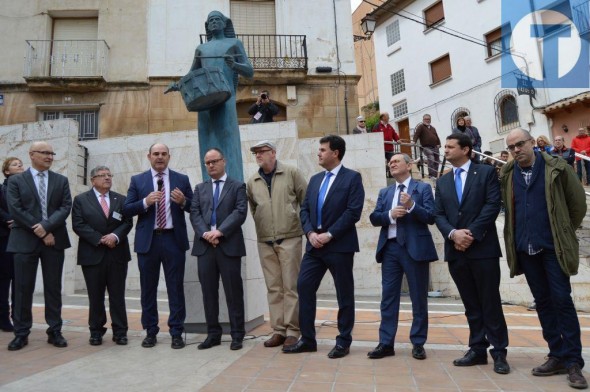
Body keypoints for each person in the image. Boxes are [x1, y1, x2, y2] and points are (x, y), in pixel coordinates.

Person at [501, 128, 587, 390]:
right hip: (526, 250)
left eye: (520, 144)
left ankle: (573, 361)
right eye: (512, 146)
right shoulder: (507, 174)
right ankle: (557, 354)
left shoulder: (557, 167)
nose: (516, 150)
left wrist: (562, 229)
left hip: (552, 248)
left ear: (532, 143)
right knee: (543, 303)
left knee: (562, 301)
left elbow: (578, 205)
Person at [282, 135, 364, 359]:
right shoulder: (315, 179)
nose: (318, 153)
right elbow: (305, 209)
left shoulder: (352, 178)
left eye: (322, 150)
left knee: (343, 294)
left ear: (335, 153)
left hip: (339, 246)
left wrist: (329, 234)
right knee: (304, 286)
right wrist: (309, 233)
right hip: (314, 247)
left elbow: (353, 212)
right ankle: (308, 339)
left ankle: (343, 341)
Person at [434, 133, 510, 374]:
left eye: (450, 146)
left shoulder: (486, 172)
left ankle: (499, 352)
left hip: (483, 249)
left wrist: (471, 234)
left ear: (466, 149)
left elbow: (492, 205)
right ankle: (477, 348)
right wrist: (453, 234)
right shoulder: (442, 181)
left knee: (490, 301)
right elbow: (438, 214)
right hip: (456, 251)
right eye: (444, 146)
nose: (445, 150)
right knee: (471, 303)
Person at [368, 153, 438, 360]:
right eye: (389, 163)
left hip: (415, 249)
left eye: (396, 161)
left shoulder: (422, 188)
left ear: (408, 165)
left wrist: (412, 206)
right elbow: (374, 218)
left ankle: (418, 342)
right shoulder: (385, 192)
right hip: (390, 249)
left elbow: (431, 217)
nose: (391, 164)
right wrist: (390, 215)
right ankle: (386, 343)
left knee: (418, 298)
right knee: (388, 298)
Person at [123, 143, 193, 349]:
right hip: (149, 241)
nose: (160, 157)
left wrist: (183, 202)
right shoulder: (138, 180)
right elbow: (127, 209)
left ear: (169, 157)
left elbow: (195, 205)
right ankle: (151, 331)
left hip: (173, 239)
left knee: (175, 288)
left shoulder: (181, 179)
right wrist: (145, 202)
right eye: (156, 154)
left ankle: (176, 332)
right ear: (149, 156)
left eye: (163, 154)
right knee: (148, 289)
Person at [7, 142, 72, 351]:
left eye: (52, 153)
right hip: (24, 240)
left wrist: (46, 226)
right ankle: (21, 333)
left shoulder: (61, 180)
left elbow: (65, 207)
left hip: (54, 240)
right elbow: (15, 208)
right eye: (45, 153)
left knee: (53, 288)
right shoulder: (16, 181)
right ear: (32, 155)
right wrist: (40, 229)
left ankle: (54, 330)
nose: (50, 156)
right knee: (23, 288)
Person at [246, 140, 307, 348]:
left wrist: (295, 220)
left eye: (262, 152)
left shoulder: (291, 173)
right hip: (265, 240)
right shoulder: (252, 180)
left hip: (290, 236)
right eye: (256, 153)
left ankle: (293, 330)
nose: (258, 156)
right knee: (273, 287)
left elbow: (305, 200)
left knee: (291, 286)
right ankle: (279, 330)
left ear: (273, 153)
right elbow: (254, 209)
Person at [190, 148, 248, 351]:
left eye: (214, 161)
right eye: (207, 163)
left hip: (228, 245)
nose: (211, 165)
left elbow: (240, 212)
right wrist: (206, 233)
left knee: (233, 292)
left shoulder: (238, 186)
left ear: (224, 161)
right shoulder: (199, 188)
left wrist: (220, 232)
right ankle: (213, 334)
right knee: (208, 293)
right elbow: (194, 213)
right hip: (205, 247)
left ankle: (237, 334)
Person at [72, 166, 133, 346]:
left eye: (109, 175)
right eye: (102, 175)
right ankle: (96, 331)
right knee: (95, 295)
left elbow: (127, 222)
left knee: (117, 295)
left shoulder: (121, 200)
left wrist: (114, 236)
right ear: (93, 180)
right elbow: (78, 224)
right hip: (92, 254)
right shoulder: (81, 200)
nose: (107, 178)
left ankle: (120, 332)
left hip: (117, 254)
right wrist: (99, 239)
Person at [191, 11, 254, 181]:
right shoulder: (201, 49)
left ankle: (234, 183)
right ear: (208, 25)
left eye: (217, 19)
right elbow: (192, 75)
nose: (214, 22)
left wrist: (235, 65)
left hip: (226, 99)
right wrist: (177, 84)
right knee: (206, 139)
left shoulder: (234, 43)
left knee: (228, 139)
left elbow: (249, 71)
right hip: (205, 101)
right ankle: (208, 184)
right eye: (210, 20)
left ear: (225, 23)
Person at [0, 157, 24, 332]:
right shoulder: (1, 189)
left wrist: (19, 220)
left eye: (21, 164)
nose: (20, 166)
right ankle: (3, 318)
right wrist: (8, 218)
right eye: (15, 164)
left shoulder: (27, 188)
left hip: (23, 238)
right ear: (6, 171)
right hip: (4, 238)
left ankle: (19, 319)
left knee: (20, 281)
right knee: (3, 281)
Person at [412, 114, 441, 178]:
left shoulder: (433, 128)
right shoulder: (421, 127)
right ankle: (431, 175)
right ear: (423, 120)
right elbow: (416, 134)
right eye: (426, 119)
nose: (427, 120)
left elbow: (436, 136)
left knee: (437, 161)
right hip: (426, 147)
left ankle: (435, 176)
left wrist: (439, 144)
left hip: (435, 147)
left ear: (430, 120)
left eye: (428, 119)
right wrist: (414, 141)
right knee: (431, 159)